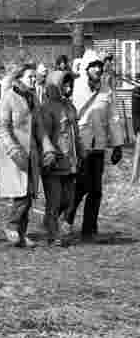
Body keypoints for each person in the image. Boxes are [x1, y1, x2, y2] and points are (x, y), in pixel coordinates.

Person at [67, 57, 124, 241]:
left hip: (98, 146)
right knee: (80, 187)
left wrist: (117, 145)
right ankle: (66, 219)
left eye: (100, 66)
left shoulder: (107, 90)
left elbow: (113, 118)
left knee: (96, 190)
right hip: (79, 145)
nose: (98, 70)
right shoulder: (75, 87)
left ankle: (89, 230)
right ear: (86, 68)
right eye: (94, 66)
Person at [0, 64, 44, 247]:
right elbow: (3, 127)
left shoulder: (33, 98)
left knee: (29, 192)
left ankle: (21, 234)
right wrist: (13, 149)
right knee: (20, 193)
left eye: (34, 76)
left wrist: (45, 146)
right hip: (12, 152)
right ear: (19, 78)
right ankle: (12, 226)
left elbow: (38, 125)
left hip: (31, 150)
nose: (33, 79)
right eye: (30, 76)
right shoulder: (8, 98)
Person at [37, 70, 81, 245]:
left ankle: (49, 223)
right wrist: (48, 155)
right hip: (54, 162)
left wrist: (81, 151)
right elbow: (44, 135)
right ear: (55, 86)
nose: (69, 87)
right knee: (55, 201)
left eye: (70, 84)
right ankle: (53, 235)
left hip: (70, 162)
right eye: (65, 83)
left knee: (69, 201)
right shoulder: (46, 108)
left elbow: (75, 134)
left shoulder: (70, 106)